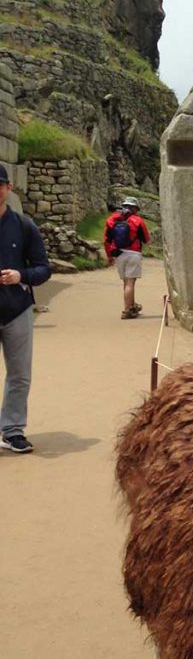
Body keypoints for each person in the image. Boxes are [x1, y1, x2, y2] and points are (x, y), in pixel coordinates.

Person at [0, 163, 51, 453]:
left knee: (19, 373)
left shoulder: (23, 226)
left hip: (16, 308)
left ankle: (12, 429)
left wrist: (22, 276)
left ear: (8, 188)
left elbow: (44, 268)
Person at [104, 195, 150, 320]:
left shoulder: (111, 220)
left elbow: (106, 240)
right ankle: (126, 310)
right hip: (134, 253)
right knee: (130, 282)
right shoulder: (138, 220)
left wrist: (109, 255)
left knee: (126, 282)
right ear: (135, 208)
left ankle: (132, 306)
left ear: (123, 206)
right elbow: (146, 239)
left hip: (119, 254)